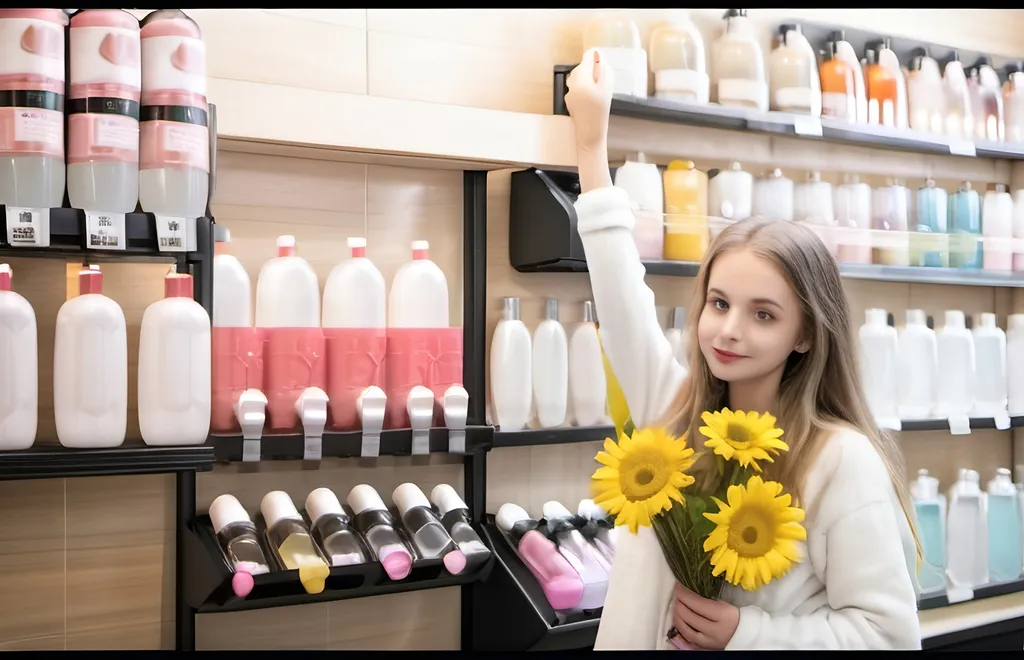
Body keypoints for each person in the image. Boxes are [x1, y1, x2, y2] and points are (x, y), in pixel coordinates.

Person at [563, 48, 922, 651]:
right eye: (719, 303)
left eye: (764, 315)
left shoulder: (839, 460)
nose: (729, 330)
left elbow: (889, 637)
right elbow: (622, 295)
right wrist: (591, 150)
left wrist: (746, 634)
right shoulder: (674, 414)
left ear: (806, 333)